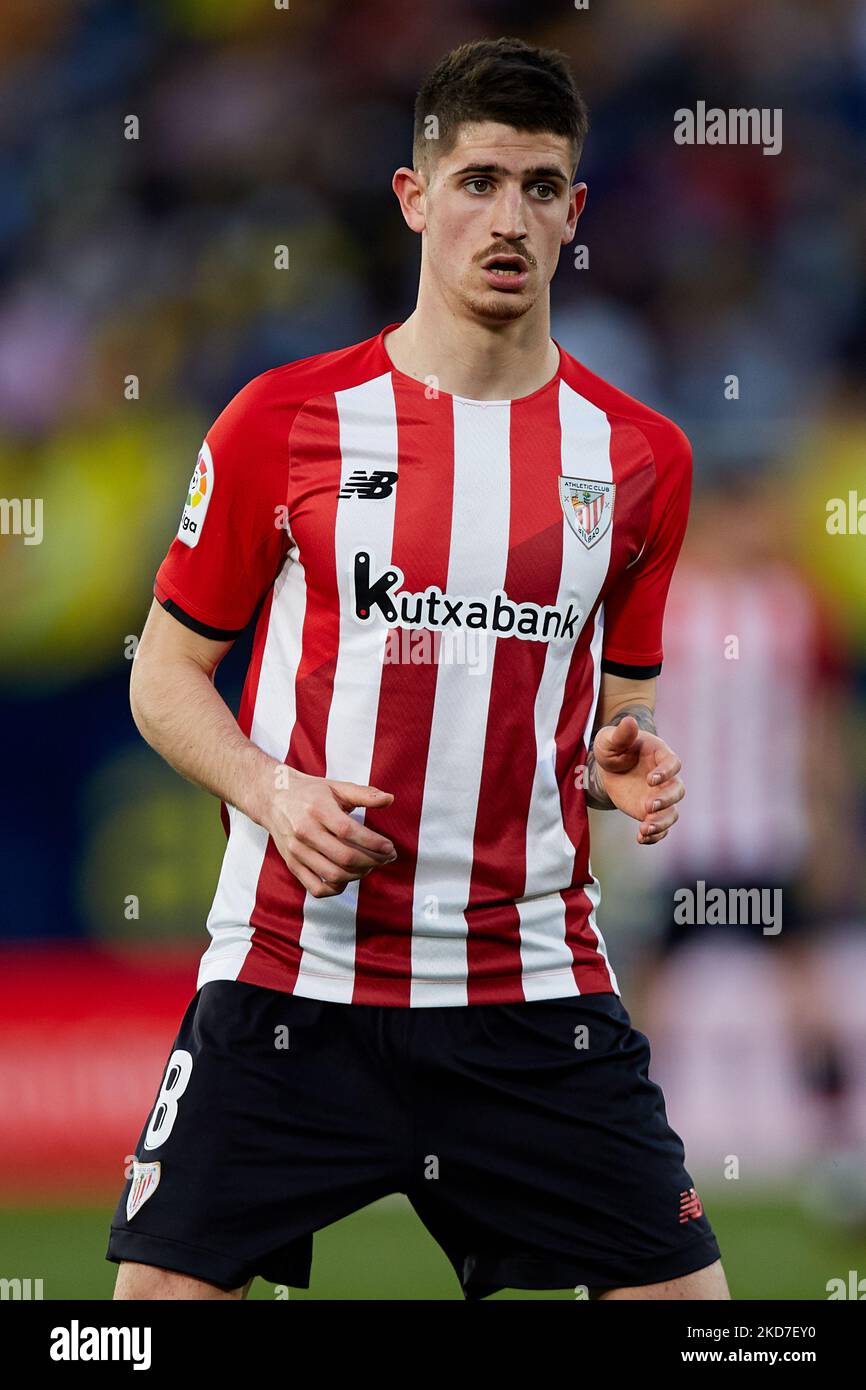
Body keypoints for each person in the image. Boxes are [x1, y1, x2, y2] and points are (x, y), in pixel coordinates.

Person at [108, 37, 728, 1301]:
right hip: (292, 979)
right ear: (413, 196)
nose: (509, 218)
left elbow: (612, 716)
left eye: (541, 186)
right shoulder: (282, 421)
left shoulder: (640, 457)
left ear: (575, 212)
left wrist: (621, 757)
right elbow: (162, 676)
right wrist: (275, 792)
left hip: (528, 992)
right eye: (478, 181)